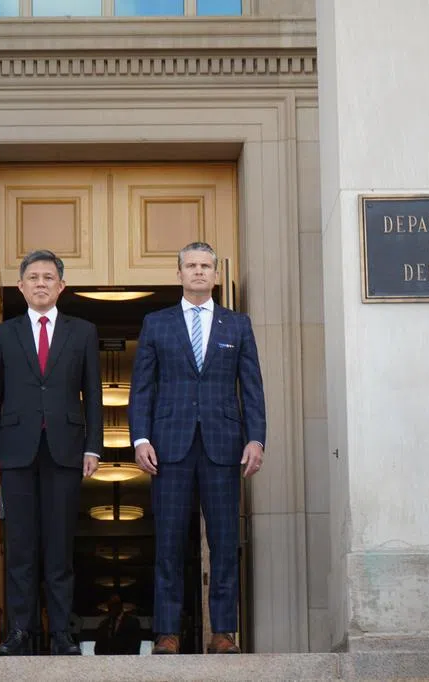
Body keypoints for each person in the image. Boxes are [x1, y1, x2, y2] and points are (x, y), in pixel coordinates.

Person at [128, 241, 265, 655]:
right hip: (169, 446)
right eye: (191, 265)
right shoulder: (156, 323)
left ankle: (223, 631)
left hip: (223, 446)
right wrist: (140, 437)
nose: (199, 271)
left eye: (206, 266)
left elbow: (252, 388)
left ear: (217, 275)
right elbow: (142, 387)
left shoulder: (237, 325)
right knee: (169, 542)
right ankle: (167, 632)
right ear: (179, 273)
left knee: (224, 541)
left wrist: (256, 438)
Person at [0, 249, 103, 656]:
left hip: (65, 451)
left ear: (61, 286)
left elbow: (93, 395)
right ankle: (20, 631)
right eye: (33, 277)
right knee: (20, 546)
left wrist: (93, 446)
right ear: (20, 286)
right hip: (15, 452)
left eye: (48, 277)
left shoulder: (82, 332)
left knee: (59, 547)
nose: (41, 284)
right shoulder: (3, 334)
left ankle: (61, 634)